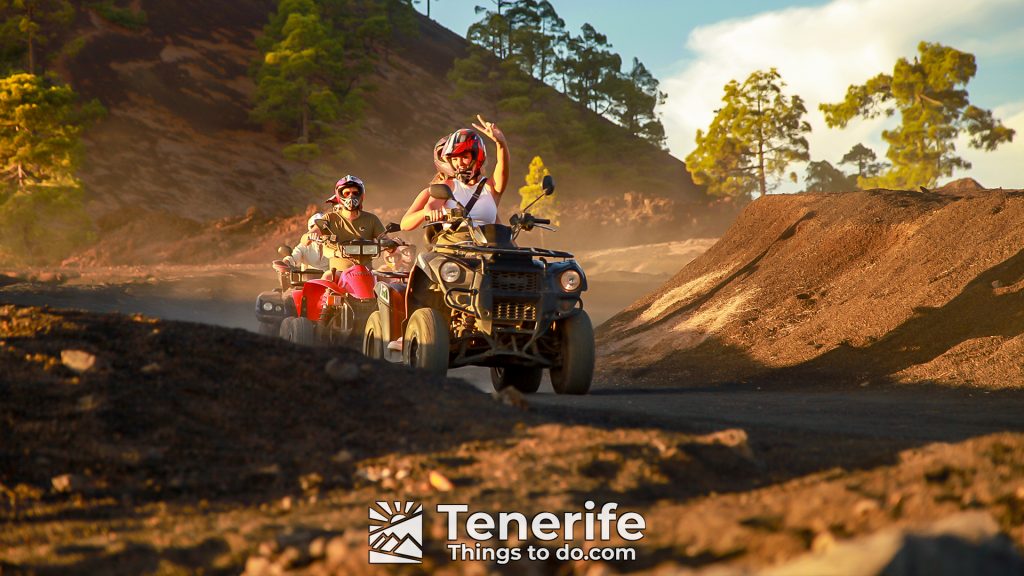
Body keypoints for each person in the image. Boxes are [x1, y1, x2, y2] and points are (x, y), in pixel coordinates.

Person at [400, 115, 510, 234]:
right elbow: (431, 205)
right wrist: (431, 212)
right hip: (456, 248)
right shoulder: (447, 185)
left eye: (465, 157)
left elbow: (502, 165)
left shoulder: (491, 187)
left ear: (477, 157)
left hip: (488, 248)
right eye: (455, 159)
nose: (459, 163)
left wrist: (501, 142)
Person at [322, 175, 386, 276]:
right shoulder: (329, 218)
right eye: (347, 193)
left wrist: (392, 244)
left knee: (388, 284)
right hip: (339, 273)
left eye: (355, 193)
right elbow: (310, 236)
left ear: (361, 194)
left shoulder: (372, 219)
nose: (351, 196)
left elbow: (384, 239)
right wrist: (309, 236)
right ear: (339, 195)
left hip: (367, 272)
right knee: (327, 277)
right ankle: (327, 292)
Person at [272, 212, 330, 292]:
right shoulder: (303, 246)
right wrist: (286, 262)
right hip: (306, 287)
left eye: (322, 227)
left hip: (330, 288)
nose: (318, 230)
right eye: (314, 227)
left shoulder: (336, 245)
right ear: (310, 230)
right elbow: (294, 258)